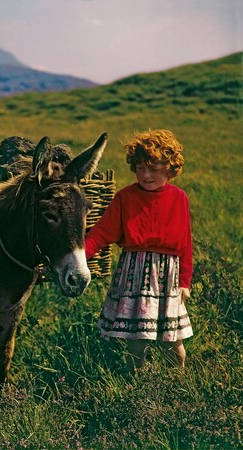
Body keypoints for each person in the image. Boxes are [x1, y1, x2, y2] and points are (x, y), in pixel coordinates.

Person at [85, 129, 193, 373]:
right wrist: (80, 256)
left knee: (173, 343)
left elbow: (186, 245)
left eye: (154, 169)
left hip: (168, 279)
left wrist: (185, 281)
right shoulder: (125, 197)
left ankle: (178, 385)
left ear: (170, 168)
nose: (146, 175)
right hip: (135, 276)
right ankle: (135, 385)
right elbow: (101, 233)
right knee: (136, 342)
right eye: (140, 168)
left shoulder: (179, 199)